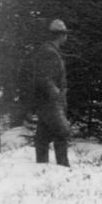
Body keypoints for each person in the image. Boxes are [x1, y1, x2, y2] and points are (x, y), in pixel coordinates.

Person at [32, 18, 71, 166]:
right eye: (65, 34)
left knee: (42, 136)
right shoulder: (50, 53)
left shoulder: (49, 51)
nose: (66, 37)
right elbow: (45, 78)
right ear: (61, 35)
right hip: (50, 101)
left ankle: (42, 168)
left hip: (46, 101)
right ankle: (63, 168)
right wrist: (56, 95)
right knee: (62, 131)